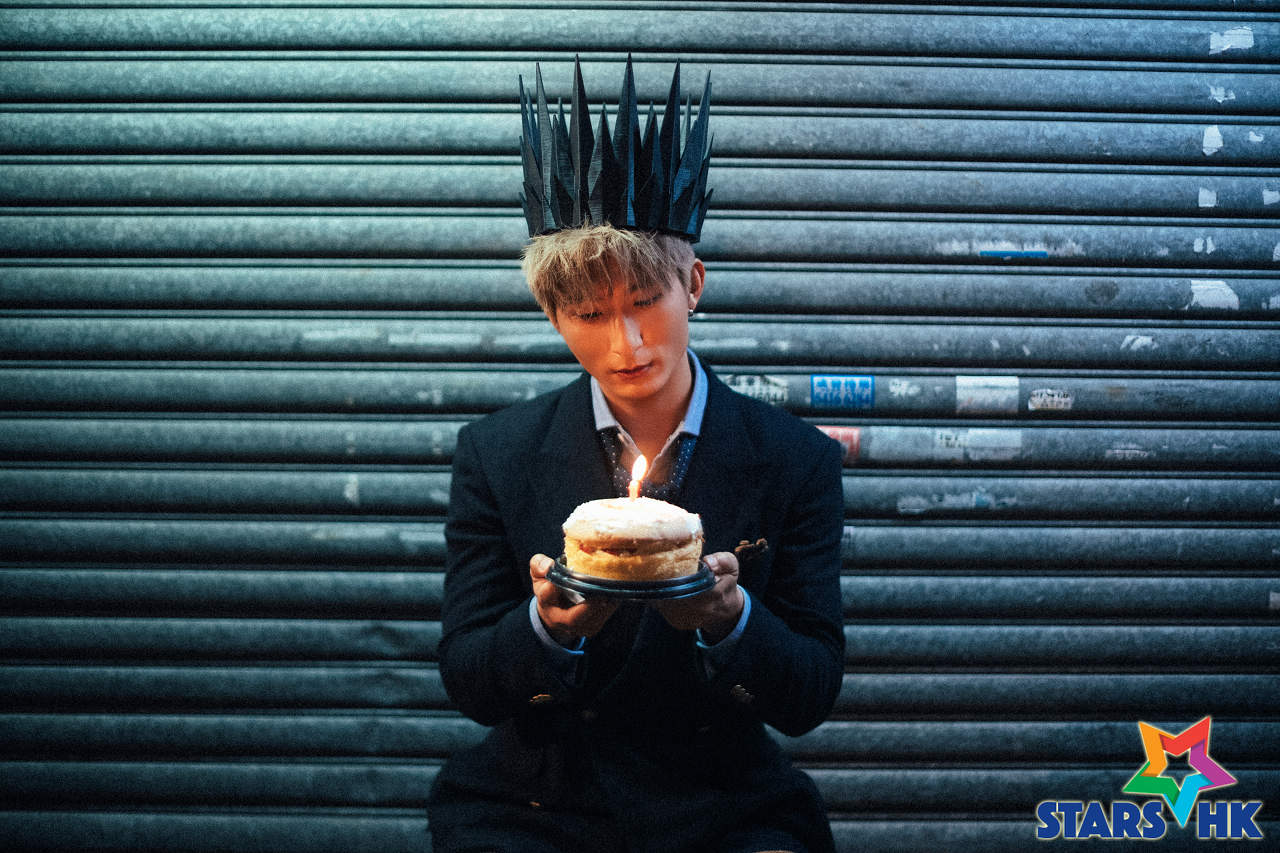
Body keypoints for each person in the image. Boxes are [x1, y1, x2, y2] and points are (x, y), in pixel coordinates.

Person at [426, 60, 846, 853]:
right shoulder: (497, 453)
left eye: (647, 302)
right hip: (538, 802)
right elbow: (469, 676)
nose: (626, 344)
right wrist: (547, 628)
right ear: (552, 314)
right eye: (590, 314)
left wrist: (730, 619)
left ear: (694, 284)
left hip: (726, 805)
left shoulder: (796, 459)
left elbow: (810, 691)